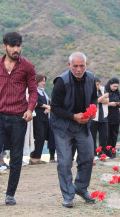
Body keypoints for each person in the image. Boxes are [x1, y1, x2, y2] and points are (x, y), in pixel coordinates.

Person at [0, 32, 37, 205]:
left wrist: (30, 109)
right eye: (12, 46)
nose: (16, 49)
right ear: (5, 47)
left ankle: (10, 194)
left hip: (19, 118)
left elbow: (33, 91)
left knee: (16, 156)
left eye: (18, 45)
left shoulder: (27, 66)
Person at [50, 52, 97, 208]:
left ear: (86, 64)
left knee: (89, 156)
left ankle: (81, 188)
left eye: (81, 65)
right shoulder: (61, 82)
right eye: (75, 66)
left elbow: (93, 99)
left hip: (83, 125)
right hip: (63, 126)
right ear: (69, 65)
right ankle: (68, 195)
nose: (78, 69)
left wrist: (91, 111)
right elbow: (55, 108)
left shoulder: (91, 79)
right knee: (64, 162)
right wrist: (73, 116)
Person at [29, 74, 51, 164]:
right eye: (42, 81)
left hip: (44, 116)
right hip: (37, 116)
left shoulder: (43, 92)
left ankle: (38, 156)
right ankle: (34, 156)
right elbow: (36, 102)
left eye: (44, 81)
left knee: (43, 136)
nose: (44, 83)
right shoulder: (34, 91)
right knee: (39, 136)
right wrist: (46, 106)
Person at [105, 77, 120, 158]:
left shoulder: (117, 92)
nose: (115, 88)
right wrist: (110, 104)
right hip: (107, 117)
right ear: (110, 85)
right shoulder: (104, 91)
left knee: (114, 135)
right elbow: (99, 103)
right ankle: (106, 153)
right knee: (107, 136)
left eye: (116, 87)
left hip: (116, 117)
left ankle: (113, 153)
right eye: (114, 86)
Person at [90, 77, 109, 156]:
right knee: (93, 136)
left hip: (103, 117)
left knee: (104, 136)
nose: (97, 86)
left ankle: (102, 153)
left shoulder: (103, 89)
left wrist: (100, 99)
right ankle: (93, 153)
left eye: (98, 85)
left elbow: (107, 101)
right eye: (96, 85)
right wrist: (102, 97)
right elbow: (94, 102)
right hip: (93, 117)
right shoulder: (90, 91)